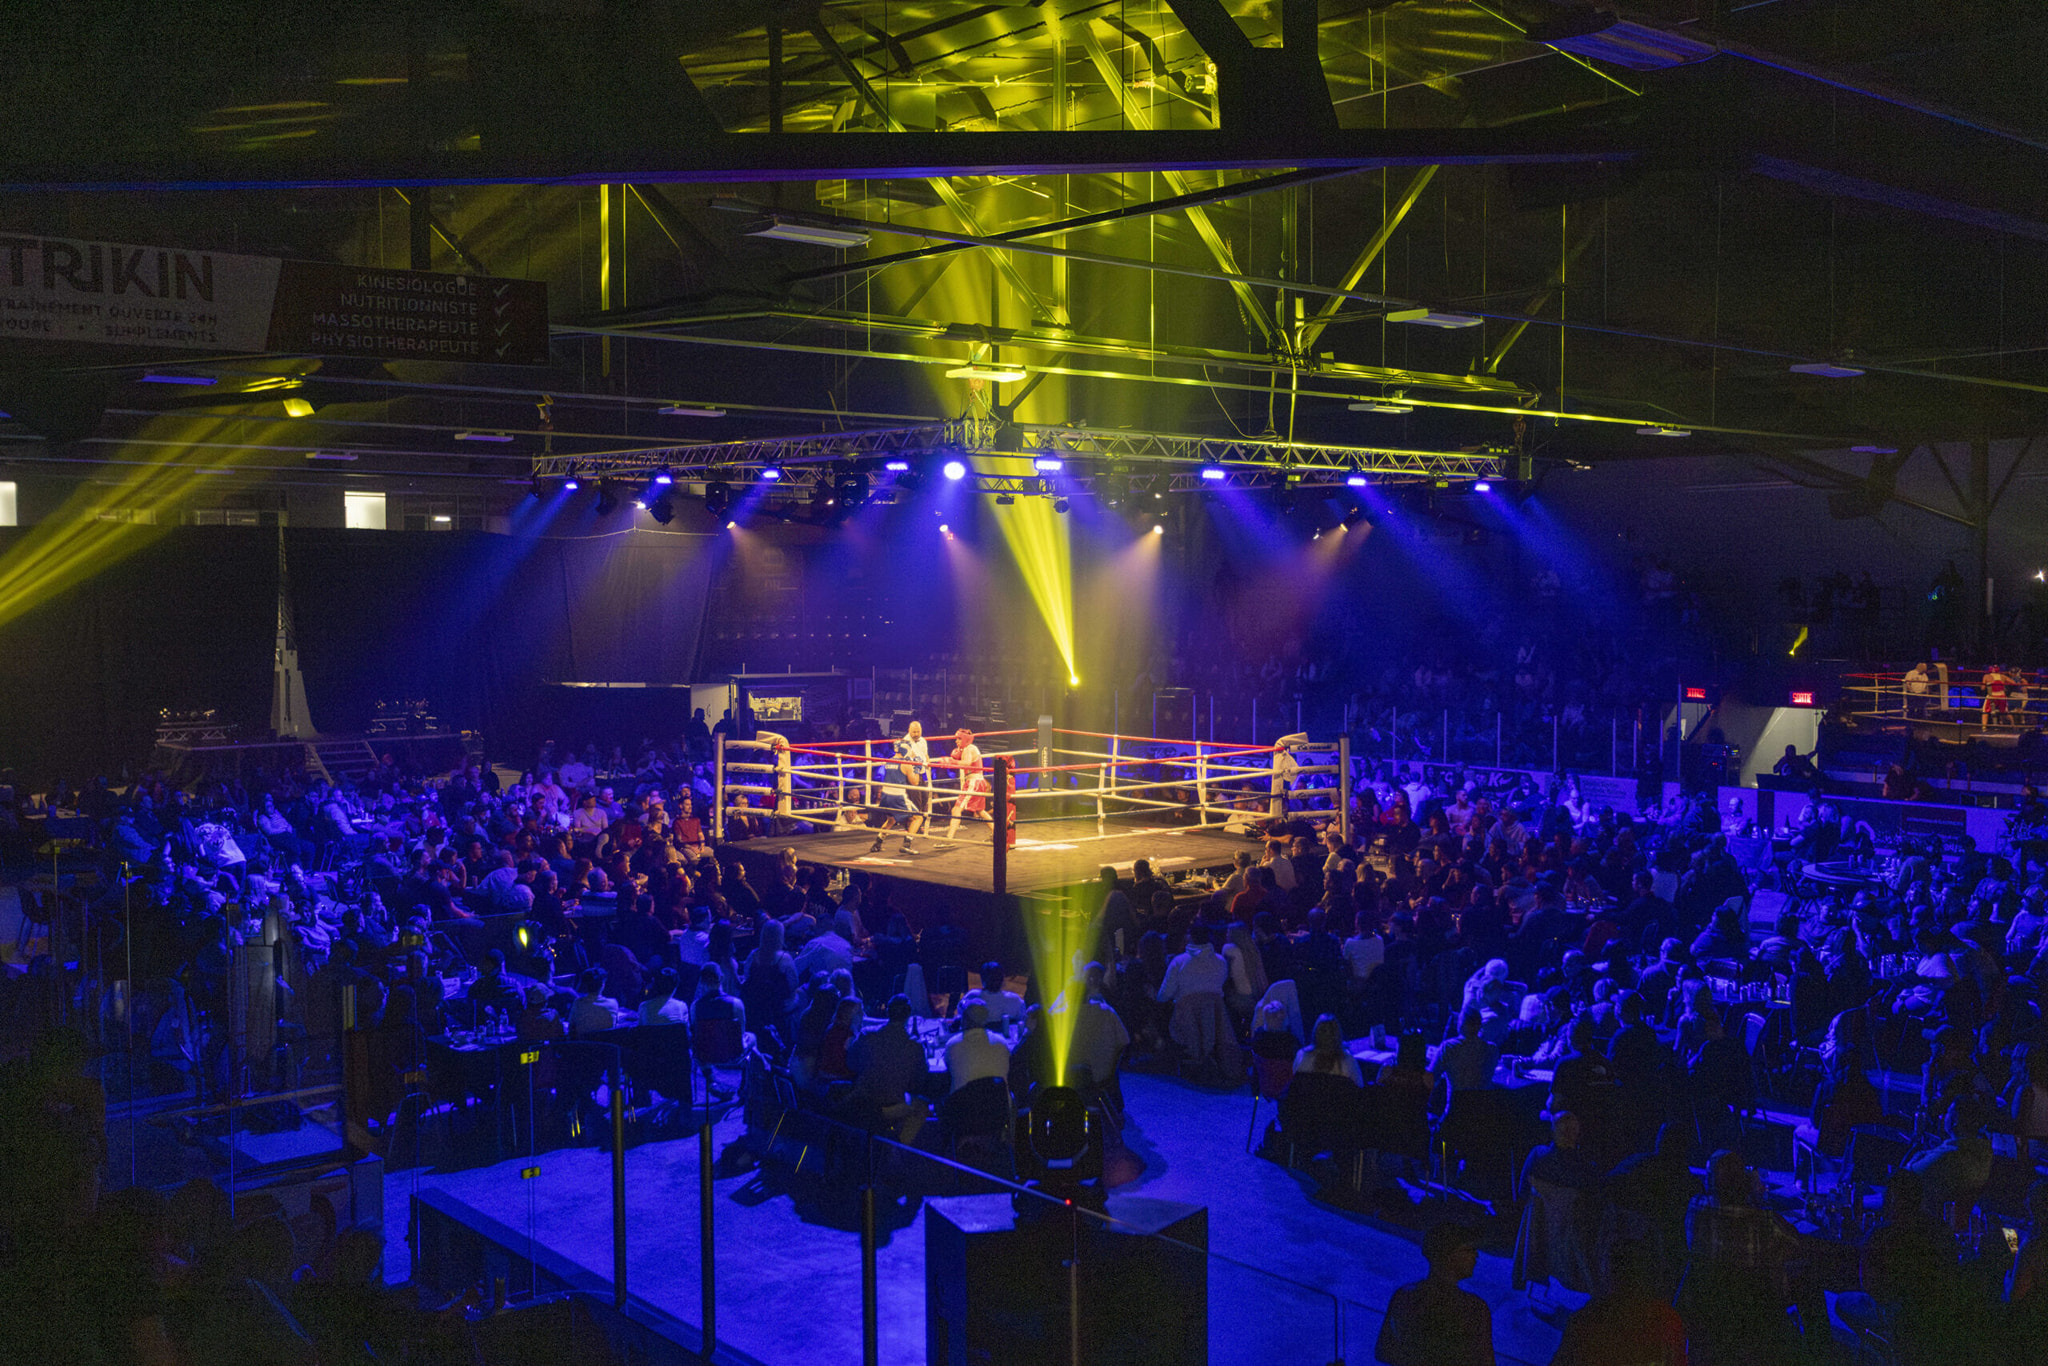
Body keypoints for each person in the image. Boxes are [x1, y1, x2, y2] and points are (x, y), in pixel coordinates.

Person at [1375, 1221, 1495, 1366]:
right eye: (1468, 1249)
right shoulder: (1474, 1308)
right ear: (1448, 1255)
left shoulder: (1404, 1295)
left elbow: (1384, 1351)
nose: (1476, 1255)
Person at [847, 995, 930, 1141]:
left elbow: (851, 1064)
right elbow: (918, 1083)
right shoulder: (915, 1046)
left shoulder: (867, 1035)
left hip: (862, 1101)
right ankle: (899, 1147)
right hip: (891, 1106)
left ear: (888, 1013)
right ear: (908, 1014)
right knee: (922, 1105)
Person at [945, 1001, 1011, 1092]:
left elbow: (948, 1068)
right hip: (999, 1104)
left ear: (965, 1019)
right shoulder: (1002, 1043)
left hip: (963, 1104)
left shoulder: (952, 1045)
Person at [939, 728, 990, 841]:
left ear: (965, 739)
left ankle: (949, 839)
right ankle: (998, 834)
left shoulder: (968, 749)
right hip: (977, 781)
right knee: (980, 811)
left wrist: (952, 762)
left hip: (974, 782)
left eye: (959, 739)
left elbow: (967, 763)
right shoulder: (969, 748)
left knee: (956, 810)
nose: (956, 741)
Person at [1292, 1013, 1363, 1085]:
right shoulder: (1348, 1061)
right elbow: (1359, 1088)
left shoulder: (1301, 1056)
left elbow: (1295, 1085)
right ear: (1338, 1034)